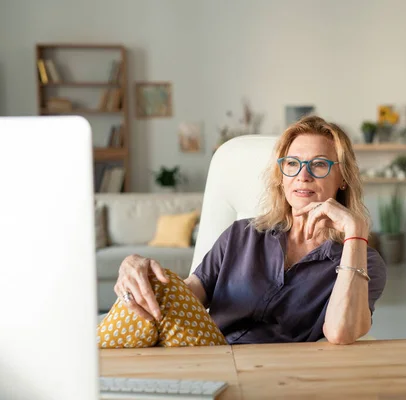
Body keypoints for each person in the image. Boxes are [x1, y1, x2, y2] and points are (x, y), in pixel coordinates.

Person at [97, 115, 387, 348]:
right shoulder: (241, 234)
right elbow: (187, 297)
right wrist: (135, 268)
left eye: (320, 164)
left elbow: (340, 332)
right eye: (292, 164)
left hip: (279, 379)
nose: (303, 175)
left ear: (344, 178)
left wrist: (354, 232)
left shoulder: (364, 259)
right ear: (281, 176)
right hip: (209, 358)